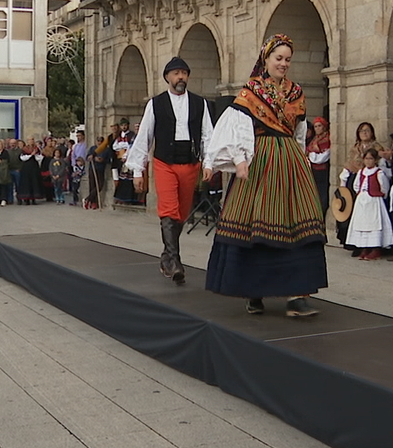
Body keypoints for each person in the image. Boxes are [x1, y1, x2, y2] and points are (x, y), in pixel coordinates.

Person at [203, 33, 326, 317]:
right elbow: (235, 128)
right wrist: (239, 159)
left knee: (299, 225)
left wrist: (302, 159)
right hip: (261, 161)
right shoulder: (251, 92)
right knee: (258, 224)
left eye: (287, 60)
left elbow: (298, 132)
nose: (283, 64)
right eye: (278, 58)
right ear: (266, 59)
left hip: (291, 163)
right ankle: (253, 291)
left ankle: (297, 295)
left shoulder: (296, 92)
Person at [127, 56, 215, 284]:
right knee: (169, 209)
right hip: (165, 162)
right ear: (167, 77)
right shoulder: (156, 103)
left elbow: (207, 134)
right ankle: (175, 262)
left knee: (182, 212)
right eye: (176, 73)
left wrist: (209, 163)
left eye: (184, 73)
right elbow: (144, 136)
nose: (180, 77)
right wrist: (138, 169)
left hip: (190, 162)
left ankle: (167, 256)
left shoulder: (199, 103)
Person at [346, 148, 393, 259]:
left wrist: (378, 195)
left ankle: (375, 248)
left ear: (375, 160)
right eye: (366, 159)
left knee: (374, 224)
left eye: (371, 159)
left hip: (374, 201)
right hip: (362, 201)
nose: (368, 161)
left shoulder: (379, 172)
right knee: (362, 223)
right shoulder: (361, 172)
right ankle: (364, 248)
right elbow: (356, 185)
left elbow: (384, 187)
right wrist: (361, 194)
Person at [307, 117, 332, 221]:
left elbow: (324, 155)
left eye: (319, 126)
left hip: (323, 170)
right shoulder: (314, 140)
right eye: (316, 126)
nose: (317, 128)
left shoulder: (328, 138)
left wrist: (313, 155)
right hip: (314, 170)